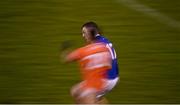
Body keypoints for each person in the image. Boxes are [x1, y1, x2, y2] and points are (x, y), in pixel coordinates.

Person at [63, 22, 119, 104]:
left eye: (84, 33)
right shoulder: (103, 40)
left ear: (91, 32)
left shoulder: (96, 45)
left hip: (106, 78)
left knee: (87, 98)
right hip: (111, 76)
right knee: (76, 93)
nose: (83, 35)